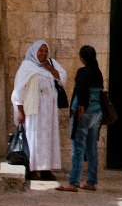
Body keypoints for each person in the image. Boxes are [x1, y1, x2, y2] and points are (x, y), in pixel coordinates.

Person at [11, 40, 66, 180]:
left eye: (45, 51)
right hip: (33, 110)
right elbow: (18, 90)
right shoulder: (27, 66)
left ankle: (45, 170)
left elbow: (62, 78)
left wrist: (50, 68)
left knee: (47, 139)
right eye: (40, 51)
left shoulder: (51, 63)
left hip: (49, 110)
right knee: (33, 139)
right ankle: (31, 169)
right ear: (34, 51)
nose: (43, 54)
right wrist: (20, 111)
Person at [56, 45, 104, 192]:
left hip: (83, 114)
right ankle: (91, 182)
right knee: (91, 148)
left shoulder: (83, 72)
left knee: (77, 148)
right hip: (97, 114)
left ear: (82, 57)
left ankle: (73, 182)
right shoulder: (98, 72)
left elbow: (82, 91)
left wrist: (81, 107)